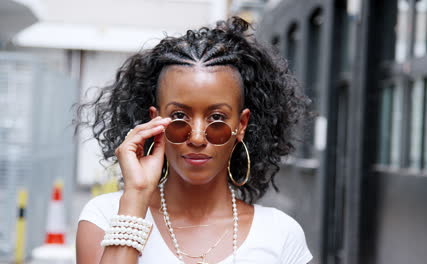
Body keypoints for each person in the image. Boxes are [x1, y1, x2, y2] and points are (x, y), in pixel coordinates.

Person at [75, 16, 313, 264]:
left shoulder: (280, 234)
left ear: (240, 125)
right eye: (179, 116)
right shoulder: (106, 216)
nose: (198, 137)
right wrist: (136, 196)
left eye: (217, 117)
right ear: (155, 121)